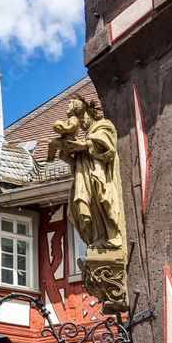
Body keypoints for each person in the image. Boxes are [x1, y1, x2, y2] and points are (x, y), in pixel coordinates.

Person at [62, 95, 124, 250]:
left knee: (101, 197)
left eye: (83, 121)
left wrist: (84, 146)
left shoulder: (104, 126)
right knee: (84, 204)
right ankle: (97, 237)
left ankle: (112, 234)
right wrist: (68, 158)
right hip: (85, 179)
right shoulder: (87, 136)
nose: (82, 126)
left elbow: (108, 147)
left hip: (100, 176)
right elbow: (79, 165)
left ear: (89, 113)